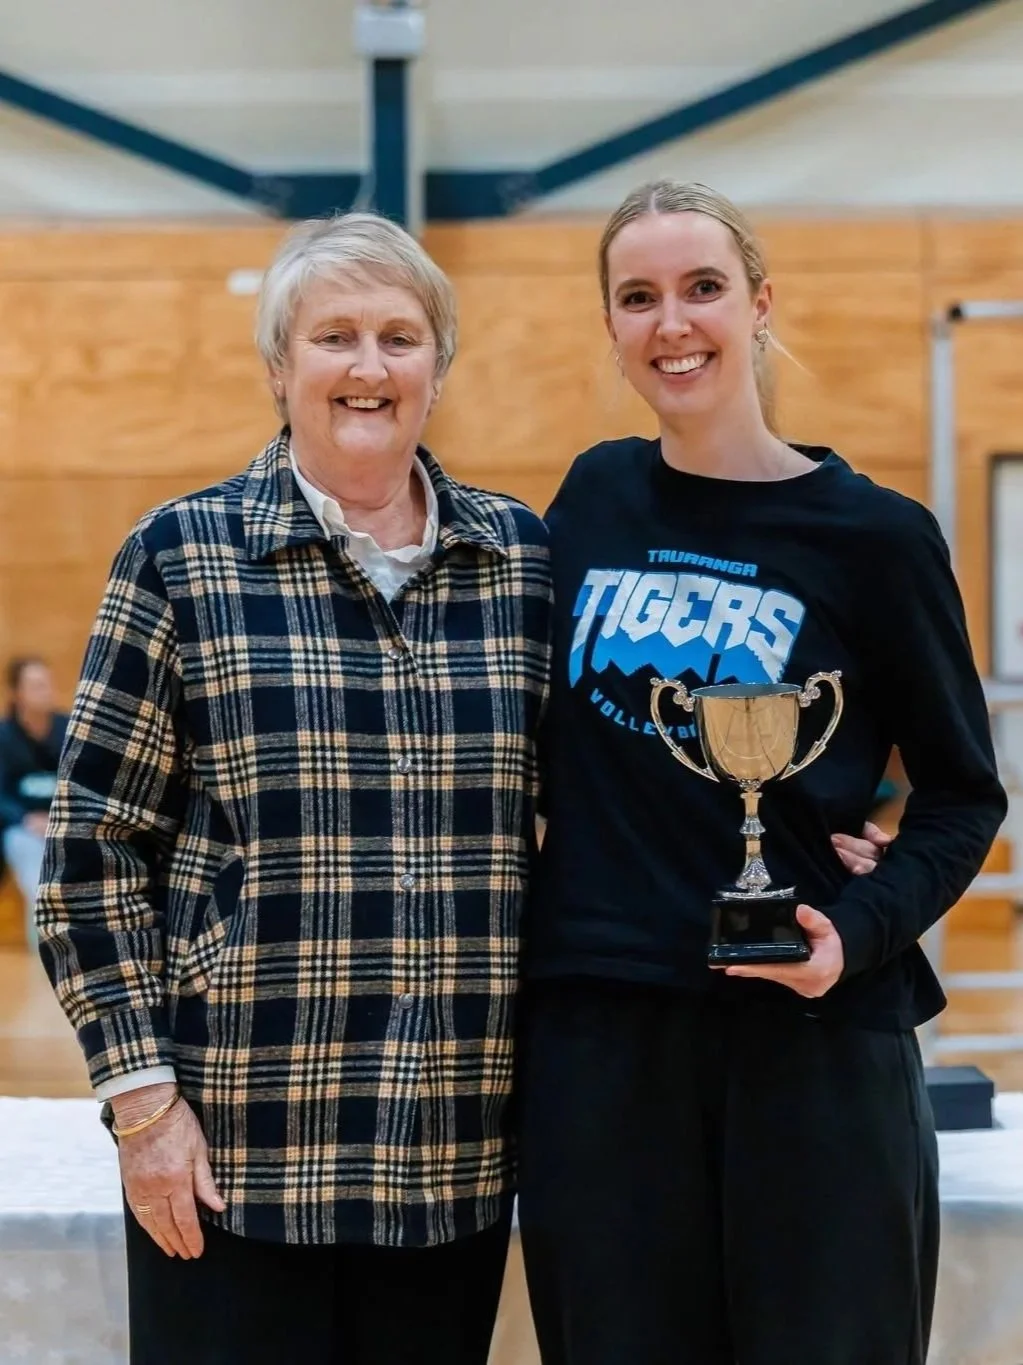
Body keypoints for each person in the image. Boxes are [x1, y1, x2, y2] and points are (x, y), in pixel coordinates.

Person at [36, 213, 553, 1365]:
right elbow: (89, 856)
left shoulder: (519, 564)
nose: (370, 365)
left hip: (451, 1158)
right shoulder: (180, 557)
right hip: (235, 1160)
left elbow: (598, 807)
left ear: (439, 368)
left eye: (400, 337)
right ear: (280, 366)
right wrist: (143, 1107)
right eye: (334, 336)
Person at [516, 180, 1008, 1365]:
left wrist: (861, 927)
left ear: (760, 304)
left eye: (702, 288)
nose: (672, 323)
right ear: (610, 324)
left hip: (813, 1035)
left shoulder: (876, 536)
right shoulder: (591, 497)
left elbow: (962, 793)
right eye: (638, 297)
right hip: (605, 1033)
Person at [0, 657, 67, 946]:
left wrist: (60, 819)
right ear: (18, 693)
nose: (46, 691)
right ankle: (46, 940)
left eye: (47, 684)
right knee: (33, 862)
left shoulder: (69, 729)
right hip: (22, 828)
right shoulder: (4, 737)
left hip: (64, 825)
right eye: (37, 686)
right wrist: (25, 819)